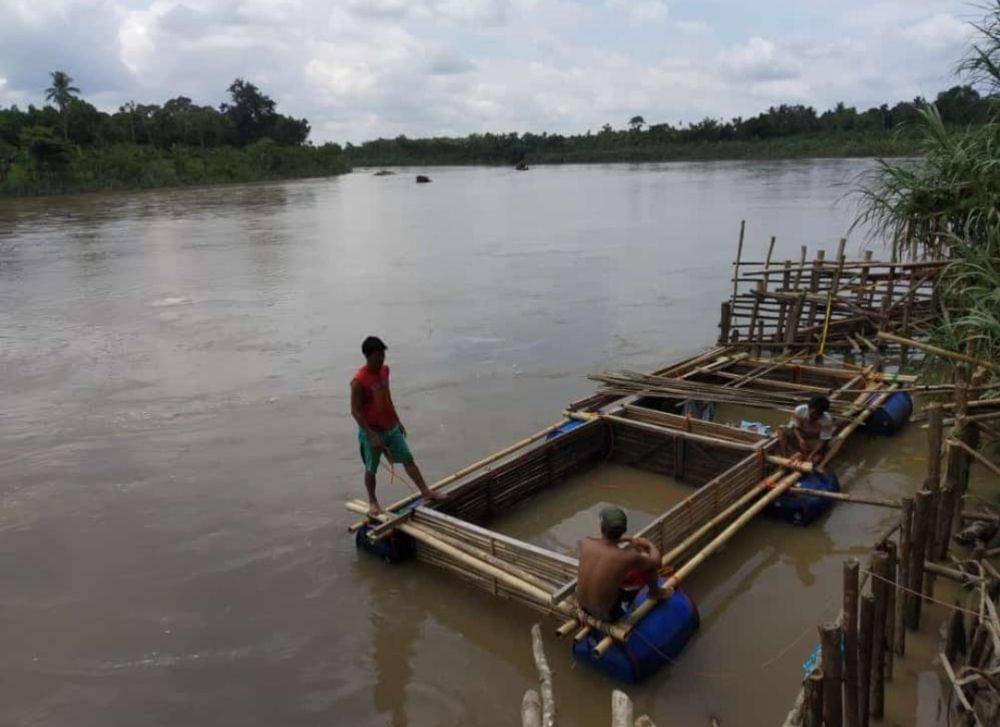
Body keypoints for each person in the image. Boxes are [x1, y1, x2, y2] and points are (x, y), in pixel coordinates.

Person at [351, 336, 446, 517]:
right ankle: (373, 502)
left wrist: (398, 420)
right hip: (372, 431)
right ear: (367, 356)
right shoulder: (358, 381)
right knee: (371, 468)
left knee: (408, 459)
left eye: (383, 355)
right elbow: (355, 411)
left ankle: (425, 491)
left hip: (390, 427)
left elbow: (387, 397)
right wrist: (371, 435)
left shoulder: (385, 371)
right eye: (378, 356)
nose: (381, 359)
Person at [576, 507, 671, 622]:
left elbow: (601, 542)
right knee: (647, 565)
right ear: (624, 530)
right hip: (606, 614)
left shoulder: (585, 542)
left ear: (601, 528)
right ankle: (655, 593)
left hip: (582, 606)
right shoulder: (628, 557)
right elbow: (656, 562)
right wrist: (648, 544)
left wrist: (627, 539)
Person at [778, 394, 835, 465]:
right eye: (813, 413)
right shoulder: (800, 410)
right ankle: (784, 457)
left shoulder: (827, 420)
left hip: (812, 440)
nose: (815, 416)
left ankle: (805, 457)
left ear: (822, 413)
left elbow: (823, 440)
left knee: (817, 459)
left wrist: (812, 454)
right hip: (800, 435)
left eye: (818, 414)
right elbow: (795, 427)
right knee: (782, 430)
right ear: (809, 407)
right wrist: (800, 440)